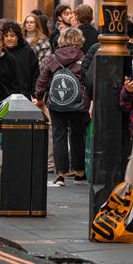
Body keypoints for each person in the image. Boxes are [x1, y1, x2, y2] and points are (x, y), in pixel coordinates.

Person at [35, 27, 89, 186]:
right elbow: (88, 80)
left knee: (59, 135)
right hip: (77, 103)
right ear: (79, 40)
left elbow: (42, 79)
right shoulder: (83, 58)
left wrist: (39, 96)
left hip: (56, 103)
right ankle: (79, 172)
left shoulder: (53, 58)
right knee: (77, 134)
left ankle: (60, 174)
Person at [1, 22, 39, 100]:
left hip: (24, 96)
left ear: (18, 37)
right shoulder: (0, 52)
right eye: (6, 36)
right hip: (3, 98)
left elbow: (35, 75)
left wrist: (35, 95)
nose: (9, 39)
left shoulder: (27, 51)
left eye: (12, 36)